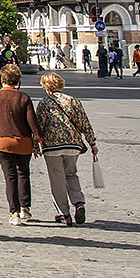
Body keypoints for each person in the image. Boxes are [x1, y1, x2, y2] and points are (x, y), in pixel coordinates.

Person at [0, 63, 42, 226]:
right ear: (18, 80)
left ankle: (13, 212)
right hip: (22, 141)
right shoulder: (24, 97)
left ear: (2, 79)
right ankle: (25, 207)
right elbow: (32, 121)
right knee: (23, 173)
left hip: (1, 141)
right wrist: (38, 138)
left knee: (10, 176)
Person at [35, 73, 98, 226]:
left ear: (46, 87)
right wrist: (92, 143)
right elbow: (84, 123)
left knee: (57, 179)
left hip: (52, 146)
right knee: (71, 174)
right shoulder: (73, 101)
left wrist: (36, 145)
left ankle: (64, 213)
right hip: (73, 145)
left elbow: (39, 126)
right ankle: (78, 202)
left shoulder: (44, 103)